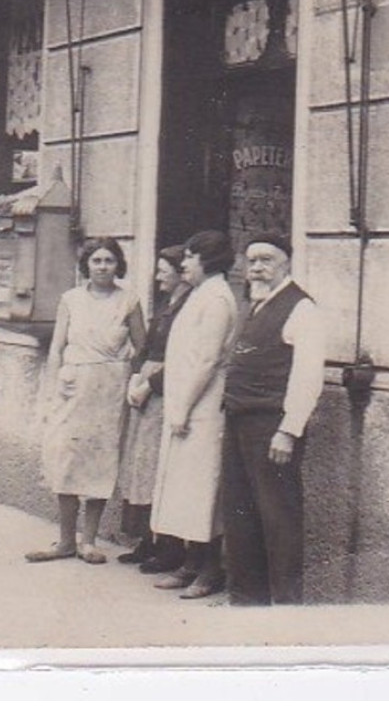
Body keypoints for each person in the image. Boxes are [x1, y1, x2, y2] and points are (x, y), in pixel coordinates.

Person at [220, 233, 325, 605]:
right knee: (240, 513)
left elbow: (308, 375)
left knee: (278, 518)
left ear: (287, 265)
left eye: (267, 259)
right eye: (252, 261)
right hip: (240, 422)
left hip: (272, 428)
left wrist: (288, 430)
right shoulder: (258, 305)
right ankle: (247, 600)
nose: (258, 267)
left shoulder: (301, 309)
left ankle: (285, 605)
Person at [28, 237, 146, 565]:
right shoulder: (71, 299)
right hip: (73, 384)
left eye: (109, 260)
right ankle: (65, 539)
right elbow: (56, 346)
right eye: (96, 261)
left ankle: (89, 541)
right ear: (86, 265)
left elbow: (142, 347)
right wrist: (55, 384)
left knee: (100, 461)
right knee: (65, 458)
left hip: (110, 389)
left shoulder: (129, 299)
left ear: (118, 265)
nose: (103, 267)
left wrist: (131, 380)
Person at [148, 229, 238, 599]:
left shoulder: (217, 299)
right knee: (185, 489)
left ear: (207, 260)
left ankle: (209, 569)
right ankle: (190, 562)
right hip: (186, 403)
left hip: (201, 407)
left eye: (189, 257)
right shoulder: (201, 295)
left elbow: (205, 360)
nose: (183, 264)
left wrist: (183, 407)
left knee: (203, 491)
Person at [113, 245, 190, 570]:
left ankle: (168, 548)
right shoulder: (166, 304)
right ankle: (146, 540)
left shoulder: (189, 306)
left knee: (159, 468)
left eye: (164, 269)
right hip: (146, 388)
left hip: (164, 390)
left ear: (179, 272)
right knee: (141, 466)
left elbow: (182, 358)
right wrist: (135, 377)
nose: (158, 275)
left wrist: (150, 384)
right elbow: (144, 346)